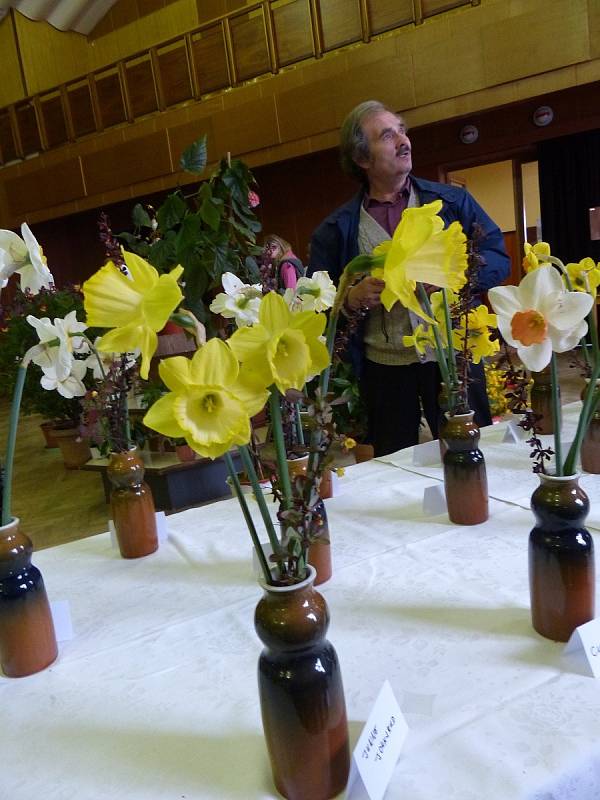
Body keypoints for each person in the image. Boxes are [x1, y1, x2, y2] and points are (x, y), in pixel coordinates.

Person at [308, 100, 510, 457]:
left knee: (473, 455)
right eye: (388, 135)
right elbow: (315, 303)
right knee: (395, 461)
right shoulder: (336, 230)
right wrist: (350, 298)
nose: (404, 141)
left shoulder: (451, 202)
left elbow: (498, 257)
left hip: (454, 355)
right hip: (384, 369)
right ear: (363, 159)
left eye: (402, 130)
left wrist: (454, 278)